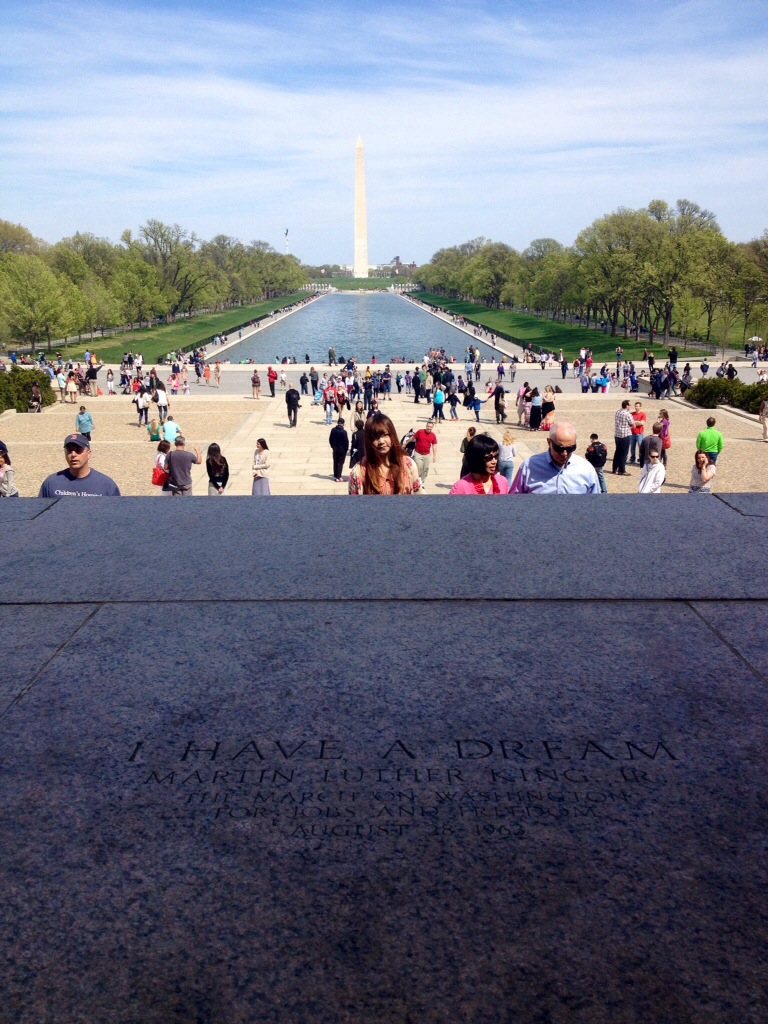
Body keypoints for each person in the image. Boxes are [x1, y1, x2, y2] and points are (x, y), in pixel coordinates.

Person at [509, 421, 600, 494]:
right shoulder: (529, 467)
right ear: (549, 442)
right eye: (559, 448)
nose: (564, 453)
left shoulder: (586, 469)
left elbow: (596, 506)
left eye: (570, 448)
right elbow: (514, 503)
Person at [348, 412, 420, 494]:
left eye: (385, 435)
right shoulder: (359, 471)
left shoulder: (408, 465)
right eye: (375, 437)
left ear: (392, 436)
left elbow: (420, 498)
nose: (381, 441)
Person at [39, 434, 120, 497]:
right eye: (69, 450)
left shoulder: (106, 485)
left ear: (89, 454)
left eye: (78, 450)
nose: (73, 454)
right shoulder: (52, 483)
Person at [412, 420, 438, 490]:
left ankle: (422, 482)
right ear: (426, 426)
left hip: (427, 455)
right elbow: (413, 438)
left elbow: (434, 446)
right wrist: (405, 444)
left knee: (425, 469)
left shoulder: (433, 435)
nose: (429, 428)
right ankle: (416, 481)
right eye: (428, 426)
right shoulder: (420, 432)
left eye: (430, 427)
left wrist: (434, 456)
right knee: (419, 467)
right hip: (418, 453)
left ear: (432, 428)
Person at [612, 399, 635, 475]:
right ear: (627, 406)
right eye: (630, 405)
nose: (630, 406)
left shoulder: (618, 412)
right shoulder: (627, 414)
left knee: (617, 451)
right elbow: (633, 425)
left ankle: (614, 468)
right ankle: (622, 470)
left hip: (617, 435)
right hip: (625, 435)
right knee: (624, 453)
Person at [329, 417, 350, 482]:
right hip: (342, 449)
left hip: (335, 449)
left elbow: (330, 439)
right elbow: (346, 442)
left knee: (335, 462)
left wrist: (333, 446)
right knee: (340, 463)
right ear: (343, 424)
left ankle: (336, 476)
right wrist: (346, 449)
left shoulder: (333, 430)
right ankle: (339, 476)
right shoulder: (344, 432)